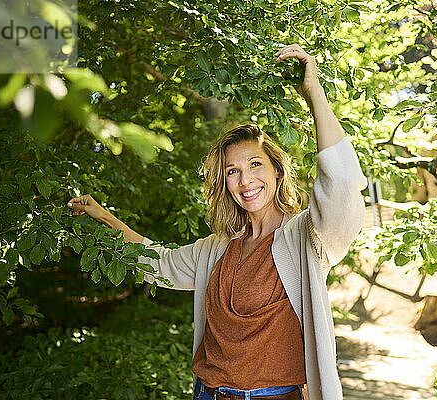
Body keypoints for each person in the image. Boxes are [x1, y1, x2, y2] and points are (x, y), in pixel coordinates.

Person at [68, 44, 368, 400]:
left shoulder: (306, 239)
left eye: (255, 164)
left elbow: (343, 185)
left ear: (276, 170)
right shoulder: (218, 248)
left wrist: (313, 92)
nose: (245, 180)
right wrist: (101, 215)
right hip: (207, 393)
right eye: (233, 171)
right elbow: (157, 262)